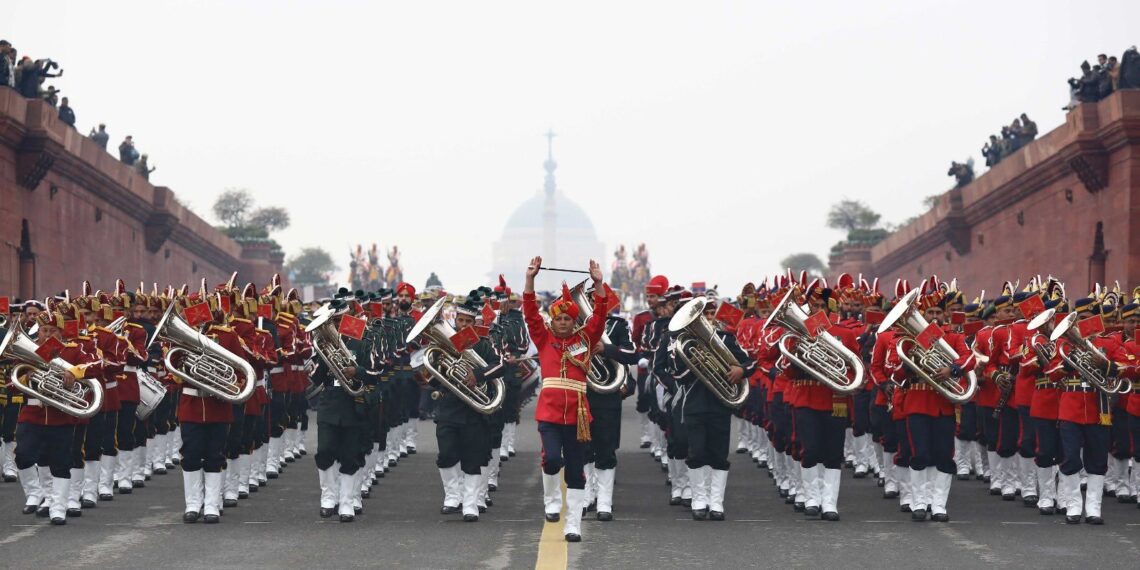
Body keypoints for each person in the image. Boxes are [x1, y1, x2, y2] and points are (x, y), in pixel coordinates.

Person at [522, 255, 609, 542]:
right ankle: (551, 502)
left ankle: (573, 524)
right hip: (548, 414)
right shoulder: (544, 338)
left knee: (576, 472)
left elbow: (599, 317)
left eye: (567, 319)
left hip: (578, 416)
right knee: (551, 462)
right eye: (558, 318)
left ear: (574, 321)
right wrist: (530, 279)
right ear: (553, 321)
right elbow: (530, 313)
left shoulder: (584, 340)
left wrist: (598, 284)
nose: (561, 323)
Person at [656, 290, 755, 522]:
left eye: (710, 314)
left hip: (720, 404)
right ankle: (699, 499)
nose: (708, 319)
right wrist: (699, 362)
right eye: (704, 315)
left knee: (719, 454)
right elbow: (677, 373)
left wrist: (741, 370)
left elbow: (750, 362)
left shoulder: (726, 338)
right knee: (697, 452)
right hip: (693, 403)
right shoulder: (683, 342)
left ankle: (716, 502)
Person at [429, 292, 505, 522]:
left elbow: (499, 367)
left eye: (468, 321)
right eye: (460, 320)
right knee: (446, 454)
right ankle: (453, 496)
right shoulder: (446, 343)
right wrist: (428, 375)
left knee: (473, 458)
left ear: (475, 323)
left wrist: (478, 375)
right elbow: (437, 374)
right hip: (449, 407)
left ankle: (470, 503)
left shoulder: (483, 345)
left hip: (474, 409)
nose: (463, 324)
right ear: (455, 320)